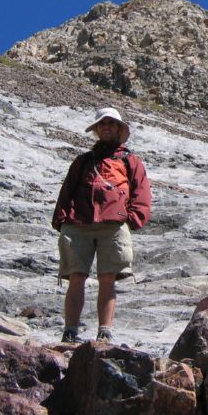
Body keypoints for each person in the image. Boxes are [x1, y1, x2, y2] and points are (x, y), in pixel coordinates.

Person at [52, 107, 151, 343]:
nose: (106, 127)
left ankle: (104, 331)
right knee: (77, 276)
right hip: (79, 224)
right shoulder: (83, 161)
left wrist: (132, 219)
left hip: (113, 225)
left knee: (108, 278)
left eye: (111, 123)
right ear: (97, 129)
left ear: (118, 129)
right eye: (102, 124)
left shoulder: (130, 161)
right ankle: (70, 331)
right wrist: (62, 219)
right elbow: (67, 190)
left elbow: (142, 194)